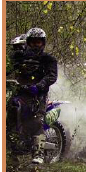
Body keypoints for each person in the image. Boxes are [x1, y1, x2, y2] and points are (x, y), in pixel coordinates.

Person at [7, 28, 58, 164]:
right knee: (10, 113)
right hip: (19, 93)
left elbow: (51, 76)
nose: (36, 45)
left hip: (38, 95)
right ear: (28, 43)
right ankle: (13, 152)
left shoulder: (48, 59)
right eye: (33, 42)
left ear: (43, 43)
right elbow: (6, 69)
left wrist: (39, 86)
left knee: (36, 120)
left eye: (38, 42)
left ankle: (39, 153)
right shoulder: (18, 57)